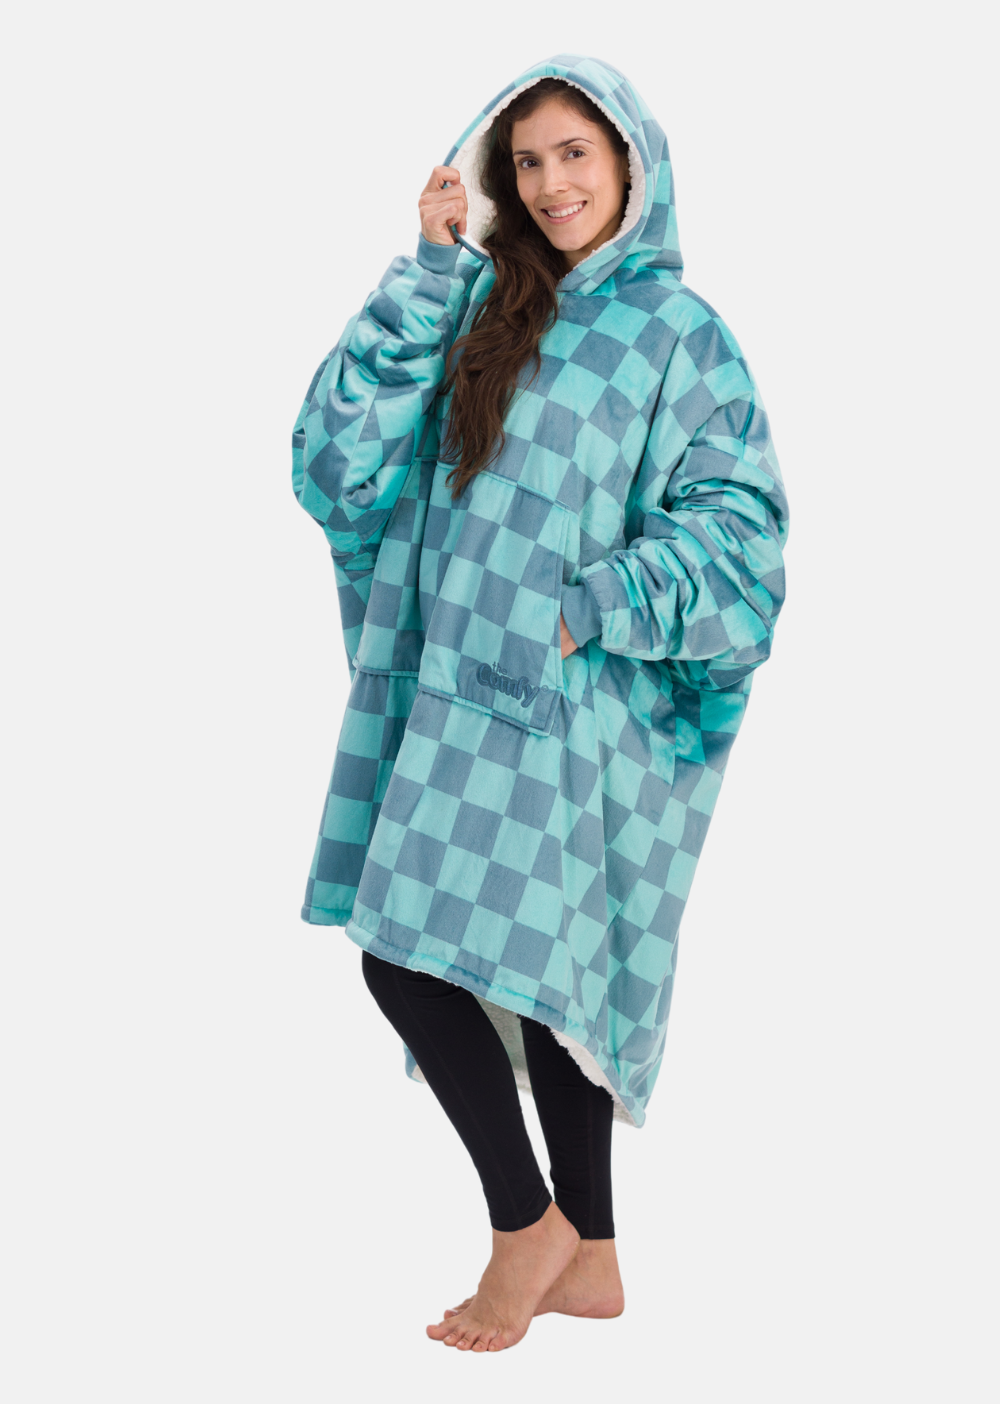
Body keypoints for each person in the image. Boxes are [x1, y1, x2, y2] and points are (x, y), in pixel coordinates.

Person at [291, 55, 788, 1353]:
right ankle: (592, 1254)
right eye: (528, 161)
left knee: (450, 957)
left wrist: (594, 603)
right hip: (454, 693)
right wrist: (427, 269)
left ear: (631, 162)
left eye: (577, 152)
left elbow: (743, 539)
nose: (554, 182)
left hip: (581, 711)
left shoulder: (680, 335)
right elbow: (339, 462)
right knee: (467, 957)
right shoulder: (482, 305)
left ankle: (529, 1227)